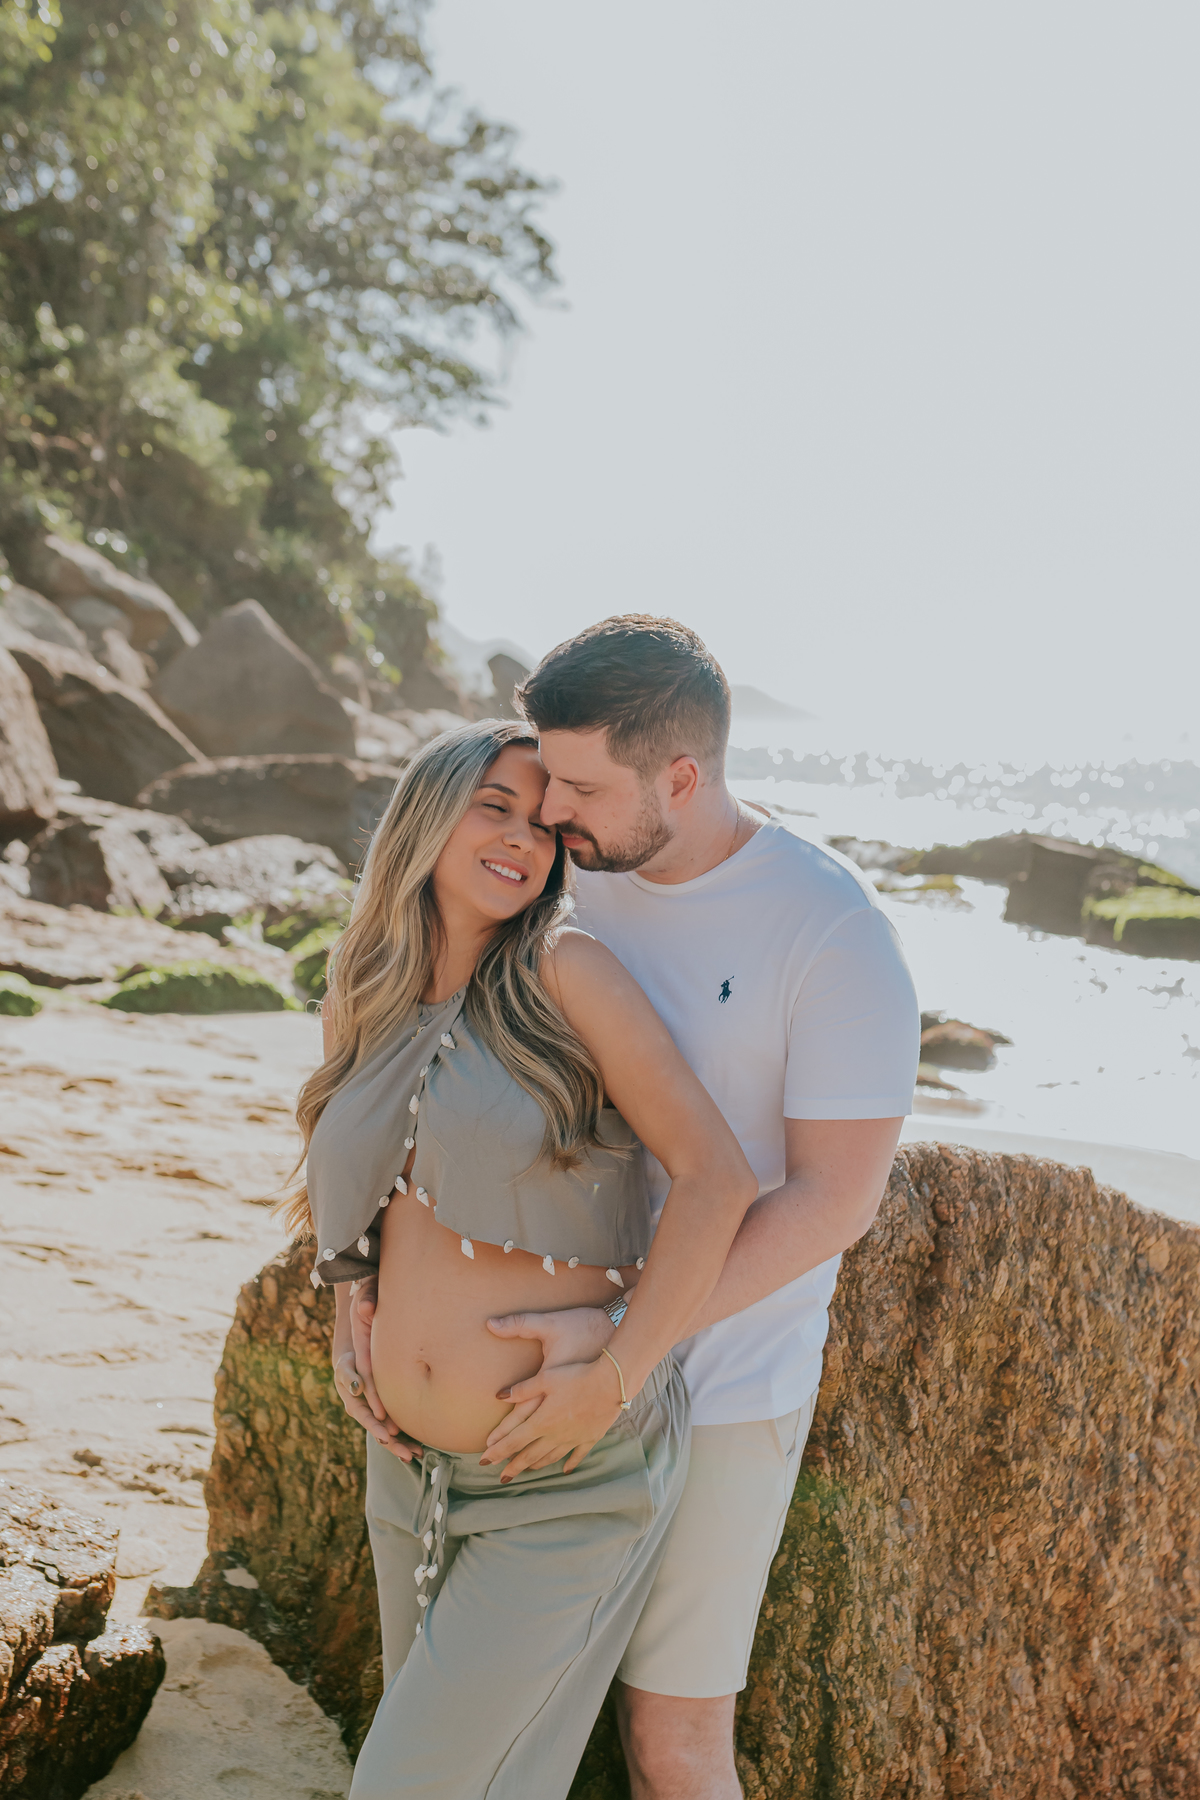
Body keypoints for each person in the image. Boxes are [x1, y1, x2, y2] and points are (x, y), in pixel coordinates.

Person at [476, 615, 921, 1799]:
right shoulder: (567, 883)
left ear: (682, 775)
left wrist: (625, 1346)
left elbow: (834, 1201)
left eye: (579, 784)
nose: (550, 811)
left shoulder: (832, 929)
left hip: (725, 1386)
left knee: (671, 1742)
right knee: (508, 1709)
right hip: (538, 1356)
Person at [291, 717, 757, 1800]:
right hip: (408, 1471)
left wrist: (617, 1374)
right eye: (492, 806)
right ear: (426, 816)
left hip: (565, 1480)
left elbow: (717, 1177)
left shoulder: (566, 970)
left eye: (542, 822)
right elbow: (367, 1187)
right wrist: (352, 1306)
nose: (522, 839)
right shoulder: (363, 986)